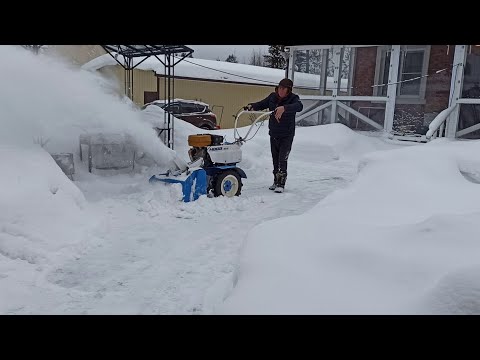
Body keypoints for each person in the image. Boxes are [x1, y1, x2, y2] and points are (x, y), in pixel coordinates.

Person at [246, 78, 303, 193]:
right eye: (280, 88)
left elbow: (299, 106)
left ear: (288, 90)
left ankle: (281, 184)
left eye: (284, 89)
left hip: (287, 135)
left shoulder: (293, 99)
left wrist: (284, 108)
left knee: (283, 159)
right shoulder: (272, 97)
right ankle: (275, 181)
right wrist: (252, 106)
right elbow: (262, 104)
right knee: (275, 159)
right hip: (274, 133)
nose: (281, 90)